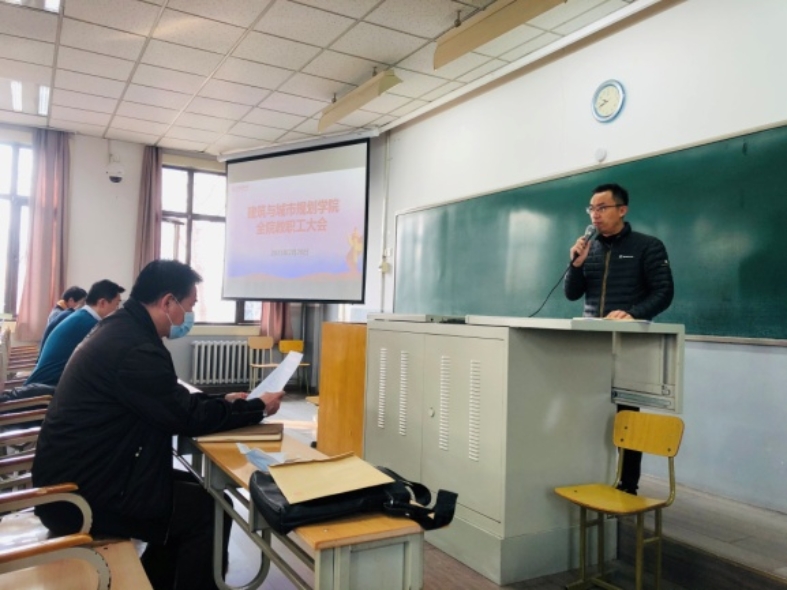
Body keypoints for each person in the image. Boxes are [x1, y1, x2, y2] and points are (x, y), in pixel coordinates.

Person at [31, 259, 285, 590]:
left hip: (88, 475)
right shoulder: (134, 346)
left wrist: (224, 400)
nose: (189, 315)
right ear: (168, 302)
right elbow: (186, 417)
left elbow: (168, 400)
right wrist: (256, 408)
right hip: (80, 496)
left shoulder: (123, 329)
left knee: (202, 494)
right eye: (189, 306)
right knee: (208, 510)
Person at [564, 183, 674, 494]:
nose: (595, 215)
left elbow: (664, 292)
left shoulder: (647, 246)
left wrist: (633, 313)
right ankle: (588, 477)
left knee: (627, 416)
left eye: (602, 208)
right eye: (591, 208)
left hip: (629, 343)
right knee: (587, 411)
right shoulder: (589, 247)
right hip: (591, 343)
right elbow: (572, 294)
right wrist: (576, 264)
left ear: (622, 210)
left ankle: (627, 485)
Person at [25, 279, 125, 387]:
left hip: (45, 384)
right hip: (48, 388)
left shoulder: (81, 316)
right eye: (116, 304)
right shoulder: (90, 324)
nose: (117, 310)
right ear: (102, 303)